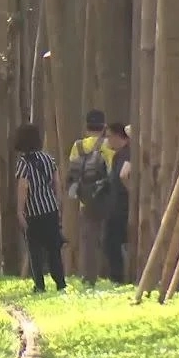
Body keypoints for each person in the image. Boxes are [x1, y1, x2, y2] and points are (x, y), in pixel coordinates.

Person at [14, 123, 67, 293]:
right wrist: (57, 204)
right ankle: (60, 283)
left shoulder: (22, 163)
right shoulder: (48, 158)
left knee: (35, 250)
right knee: (54, 249)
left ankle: (40, 285)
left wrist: (20, 211)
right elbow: (57, 183)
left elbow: (23, 187)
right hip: (50, 208)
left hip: (33, 212)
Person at [67, 109, 115, 287]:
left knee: (88, 242)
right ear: (104, 127)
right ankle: (112, 275)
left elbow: (73, 174)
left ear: (86, 128)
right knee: (109, 239)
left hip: (85, 201)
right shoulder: (108, 145)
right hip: (106, 199)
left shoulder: (78, 146)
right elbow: (111, 170)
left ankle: (89, 277)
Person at [104, 122, 131, 284]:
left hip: (121, 207)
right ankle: (117, 276)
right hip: (116, 205)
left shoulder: (128, 153)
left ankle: (118, 277)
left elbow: (123, 175)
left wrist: (131, 193)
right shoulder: (118, 155)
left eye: (109, 137)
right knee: (113, 242)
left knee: (113, 242)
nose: (108, 141)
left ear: (116, 136)